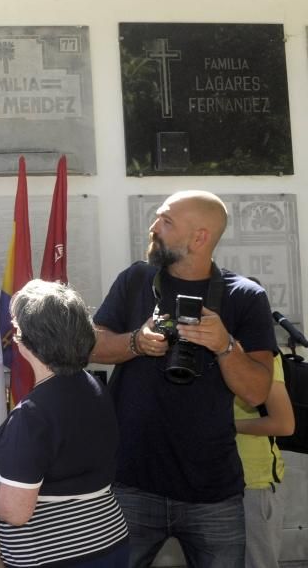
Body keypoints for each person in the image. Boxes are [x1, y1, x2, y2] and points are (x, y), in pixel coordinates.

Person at [91, 190, 275, 567]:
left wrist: (225, 347)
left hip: (213, 492)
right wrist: (136, 342)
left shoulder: (245, 297)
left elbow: (257, 391)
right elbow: (91, 347)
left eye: (166, 221)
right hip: (131, 484)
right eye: (158, 218)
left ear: (199, 238)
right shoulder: (136, 281)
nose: (153, 227)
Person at [0, 279, 129, 567]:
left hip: (54, 558)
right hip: (108, 544)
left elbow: (15, 511)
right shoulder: (93, 386)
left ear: (25, 341)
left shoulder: (32, 415)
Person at [234, 278, 295, 568]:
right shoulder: (221, 352)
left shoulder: (263, 356)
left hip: (255, 486)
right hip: (218, 483)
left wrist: (229, 426)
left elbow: (284, 424)